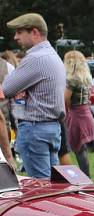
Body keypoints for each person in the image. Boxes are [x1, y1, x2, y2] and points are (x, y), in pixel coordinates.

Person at [2, 13, 66, 179]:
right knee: (52, 186)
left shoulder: (35, 58)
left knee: (41, 189)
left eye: (20, 32)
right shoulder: (52, 55)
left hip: (35, 129)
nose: (16, 37)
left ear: (35, 32)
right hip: (52, 128)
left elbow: (6, 89)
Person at [63, 50, 94, 176]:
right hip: (86, 113)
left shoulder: (72, 80)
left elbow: (65, 99)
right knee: (82, 149)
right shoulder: (86, 79)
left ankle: (85, 179)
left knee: (78, 149)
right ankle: (86, 177)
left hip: (76, 115)